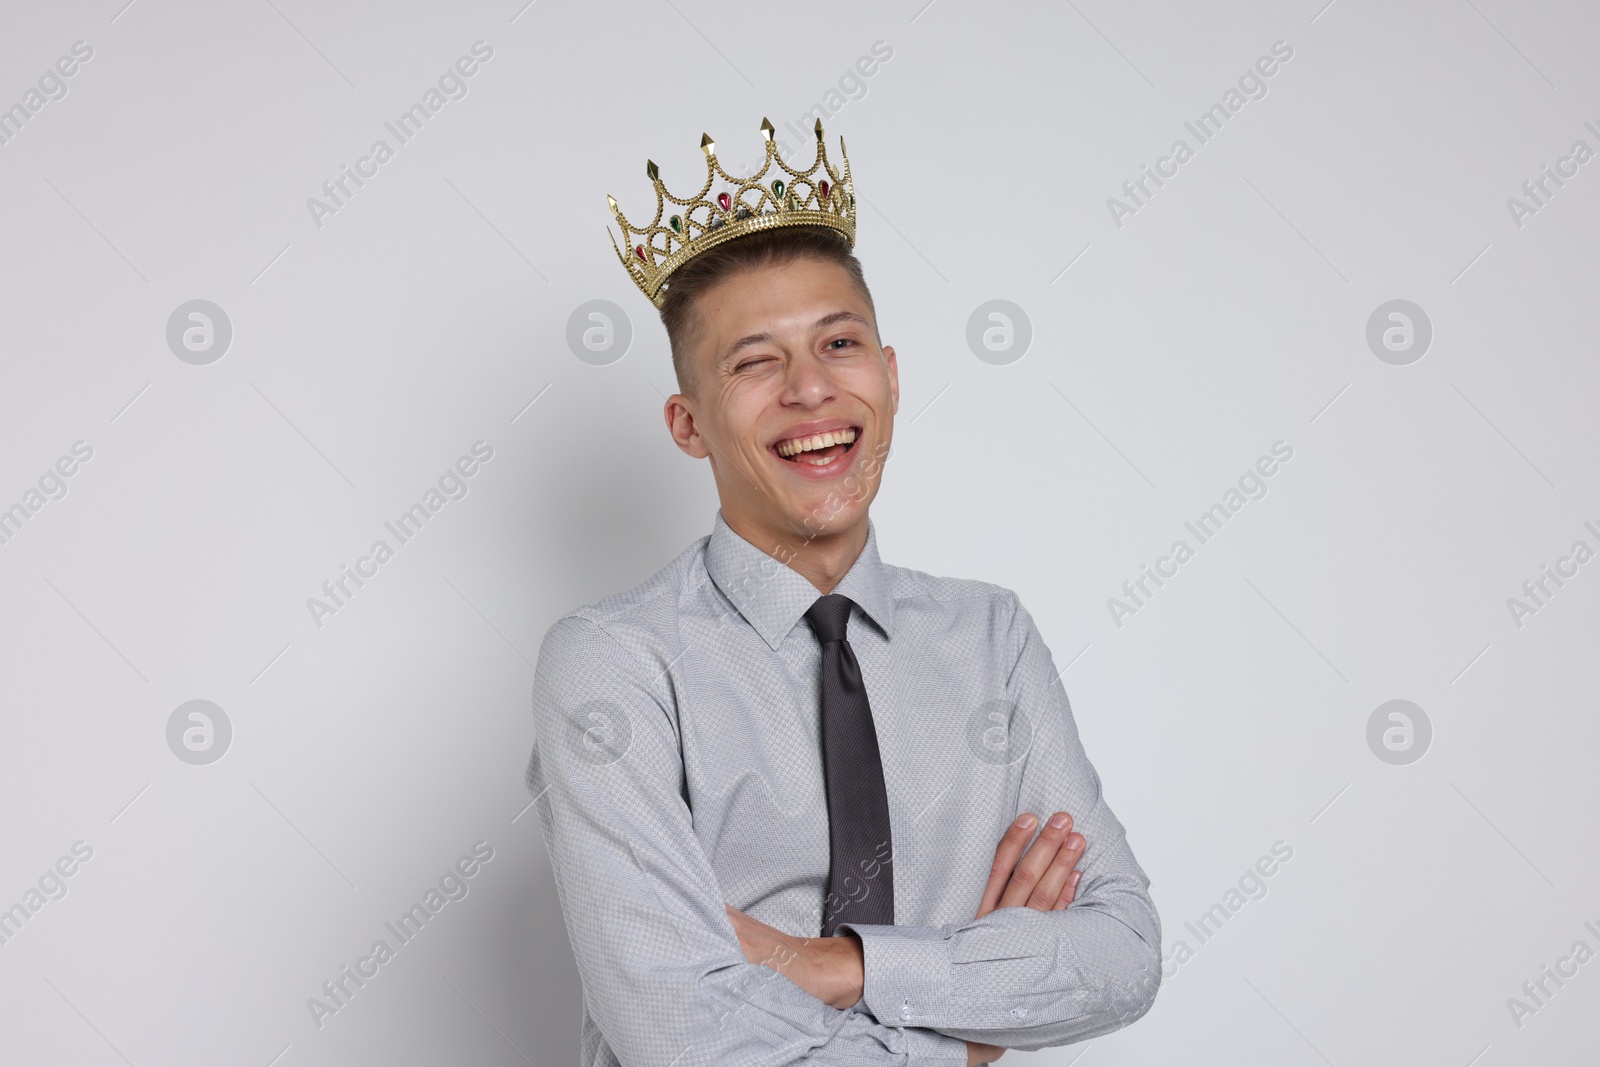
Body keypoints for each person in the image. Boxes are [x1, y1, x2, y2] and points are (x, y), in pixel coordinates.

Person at [528, 118, 1161, 1066]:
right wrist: (968, 1034)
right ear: (688, 424)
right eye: (753, 361)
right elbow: (682, 1033)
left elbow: (1123, 953)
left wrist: (837, 965)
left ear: (892, 379)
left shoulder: (992, 637)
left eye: (839, 343)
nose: (810, 390)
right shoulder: (613, 663)